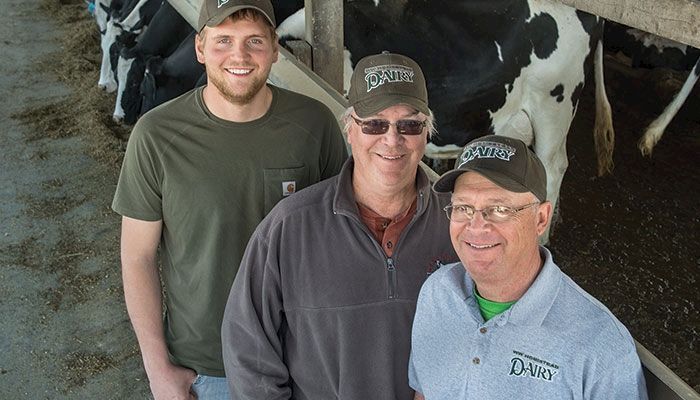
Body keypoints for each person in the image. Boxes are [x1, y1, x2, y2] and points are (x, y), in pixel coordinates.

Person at [111, 0, 348, 398]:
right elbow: (137, 256)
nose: (239, 56)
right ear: (200, 48)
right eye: (223, 41)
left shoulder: (315, 124)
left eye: (254, 40)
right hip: (206, 370)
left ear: (275, 47)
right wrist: (158, 370)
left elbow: (339, 239)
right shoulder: (155, 135)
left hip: (302, 358)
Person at [221, 52, 459, 399]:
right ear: (350, 129)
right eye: (375, 124)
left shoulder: (463, 227)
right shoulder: (289, 227)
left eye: (409, 125)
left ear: (427, 135)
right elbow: (248, 350)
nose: (392, 140)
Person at [408, 135, 648, 399]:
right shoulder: (437, 294)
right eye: (463, 207)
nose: (476, 227)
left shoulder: (600, 346)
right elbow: (424, 392)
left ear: (541, 219)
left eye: (499, 209)